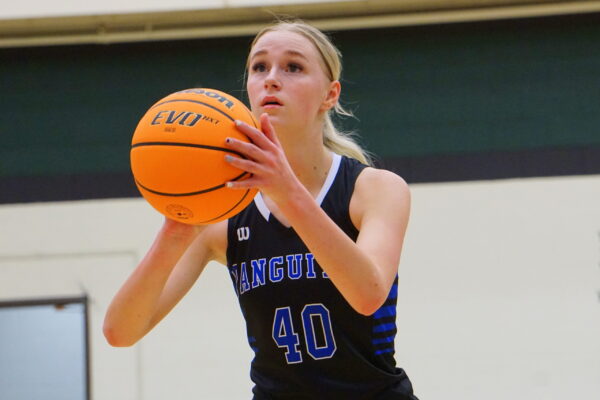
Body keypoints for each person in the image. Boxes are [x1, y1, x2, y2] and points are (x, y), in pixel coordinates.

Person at [104, 19, 417, 399]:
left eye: (293, 67)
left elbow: (368, 296)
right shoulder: (227, 212)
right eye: (259, 67)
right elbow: (120, 332)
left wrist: (286, 191)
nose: (271, 78)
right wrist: (176, 230)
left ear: (330, 95)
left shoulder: (375, 189)